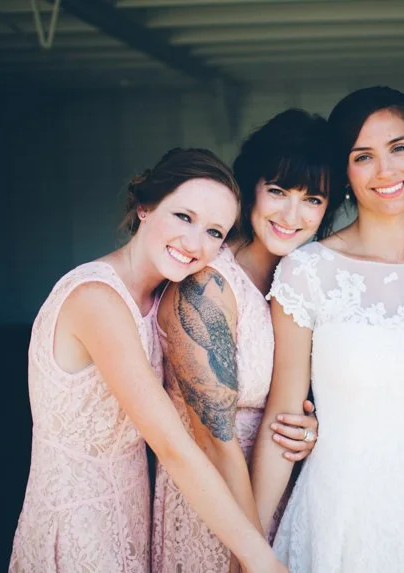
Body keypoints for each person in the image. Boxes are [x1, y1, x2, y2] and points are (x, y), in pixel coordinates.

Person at [251, 87, 404, 573]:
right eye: (363, 156)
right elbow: (281, 421)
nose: (386, 171)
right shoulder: (306, 272)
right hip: (335, 514)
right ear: (344, 173)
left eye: (398, 148)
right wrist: (251, 550)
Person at [9, 148, 286, 573]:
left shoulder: (160, 298)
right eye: (183, 217)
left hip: (133, 521)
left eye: (214, 232)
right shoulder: (96, 299)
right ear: (145, 207)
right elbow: (174, 447)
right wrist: (259, 560)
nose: (195, 243)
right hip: (77, 526)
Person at [152, 109, 342, 573]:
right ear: (251, 187)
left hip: (286, 497)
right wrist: (251, 553)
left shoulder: (306, 280)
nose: (290, 215)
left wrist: (313, 429)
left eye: (311, 199)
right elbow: (214, 439)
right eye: (277, 191)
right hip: (216, 504)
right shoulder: (207, 283)